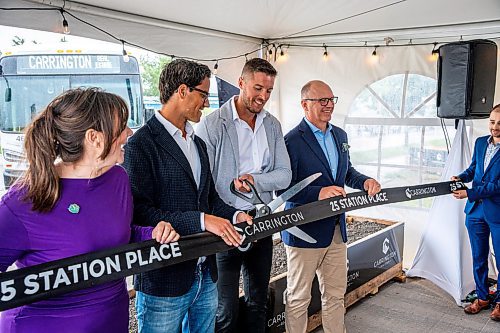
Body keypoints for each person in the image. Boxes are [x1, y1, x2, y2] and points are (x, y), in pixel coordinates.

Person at [0, 87, 179, 333]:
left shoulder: (118, 179)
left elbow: (119, 234)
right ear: (94, 138)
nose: (129, 133)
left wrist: (153, 234)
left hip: (112, 320)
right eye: (122, 126)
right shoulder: (24, 199)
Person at [122, 59, 251, 333]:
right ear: (182, 91)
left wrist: (236, 214)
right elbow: (140, 211)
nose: (206, 103)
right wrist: (203, 221)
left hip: (205, 273)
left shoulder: (198, 143)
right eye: (203, 94)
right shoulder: (140, 145)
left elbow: (210, 199)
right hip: (164, 279)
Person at [197, 58, 292, 333]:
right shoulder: (213, 124)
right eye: (258, 88)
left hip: (261, 222)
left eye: (269, 91)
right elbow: (205, 182)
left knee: (258, 302)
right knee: (224, 308)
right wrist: (230, 190)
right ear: (241, 83)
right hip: (226, 226)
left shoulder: (272, 125)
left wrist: (255, 180)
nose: (263, 96)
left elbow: (284, 174)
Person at [281, 80, 381, 333]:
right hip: (303, 232)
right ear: (305, 105)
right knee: (298, 298)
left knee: (336, 295)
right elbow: (282, 189)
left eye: (331, 100)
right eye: (321, 101)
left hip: (336, 230)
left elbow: (346, 173)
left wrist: (365, 181)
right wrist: (319, 193)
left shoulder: (340, 135)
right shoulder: (291, 140)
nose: (328, 106)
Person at [451, 104, 500, 321]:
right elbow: (474, 170)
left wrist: (469, 193)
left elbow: (498, 185)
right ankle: (482, 297)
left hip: (497, 212)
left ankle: (499, 302)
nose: (495, 127)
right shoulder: (480, 143)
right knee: (478, 257)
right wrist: (460, 177)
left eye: (499, 123)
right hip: (475, 212)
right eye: (492, 122)